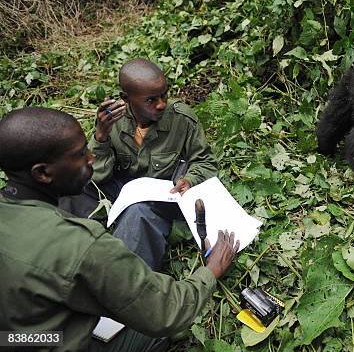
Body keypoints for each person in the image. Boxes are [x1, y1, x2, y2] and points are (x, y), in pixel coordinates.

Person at [0, 107, 239, 351]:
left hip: (13, 338)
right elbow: (166, 311)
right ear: (42, 173)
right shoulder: (82, 244)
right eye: (81, 154)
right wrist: (211, 271)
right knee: (153, 333)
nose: (91, 158)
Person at [60, 58, 217, 270]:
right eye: (151, 100)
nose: (161, 104)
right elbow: (95, 176)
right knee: (71, 190)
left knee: (139, 214)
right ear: (125, 98)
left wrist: (189, 179)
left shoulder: (182, 119)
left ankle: (123, 280)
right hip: (121, 190)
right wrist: (101, 136)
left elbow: (205, 161)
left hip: (160, 198)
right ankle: (60, 251)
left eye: (164, 95)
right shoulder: (113, 121)